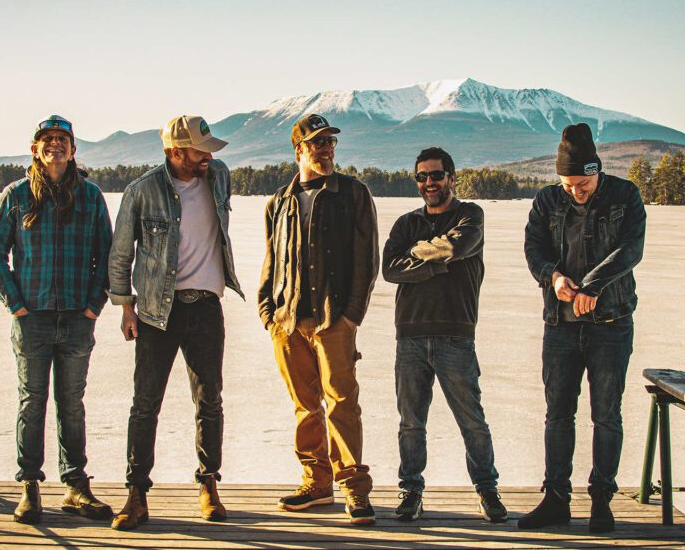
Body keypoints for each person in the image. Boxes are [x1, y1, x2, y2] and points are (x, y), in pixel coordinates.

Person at [107, 115, 243, 530]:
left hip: (205, 308)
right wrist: (126, 307)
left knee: (209, 401)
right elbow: (120, 255)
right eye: (200, 150)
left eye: (209, 150)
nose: (208, 157)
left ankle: (208, 483)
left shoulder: (218, 176)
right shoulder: (142, 190)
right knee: (145, 404)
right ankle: (136, 492)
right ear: (174, 151)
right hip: (156, 312)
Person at [0, 114, 114, 524]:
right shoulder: (17, 195)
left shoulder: (91, 196)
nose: (55, 144)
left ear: (73, 149)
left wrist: (94, 305)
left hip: (77, 318)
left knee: (72, 404)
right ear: (35, 148)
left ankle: (75, 486)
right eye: (47, 139)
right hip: (33, 319)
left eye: (63, 139)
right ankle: (29, 486)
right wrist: (15, 304)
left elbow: (106, 256)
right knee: (32, 402)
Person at [519, 123, 646, 533]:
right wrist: (553, 278)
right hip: (560, 326)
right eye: (569, 184)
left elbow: (631, 249)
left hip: (610, 324)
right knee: (558, 414)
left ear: (598, 170)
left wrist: (592, 286)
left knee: (606, 414)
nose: (576, 191)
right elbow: (533, 248)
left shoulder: (625, 197)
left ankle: (601, 502)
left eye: (583, 182)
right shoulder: (545, 201)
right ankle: (556, 499)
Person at [257, 113, 379, 525]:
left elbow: (366, 260)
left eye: (330, 143)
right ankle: (316, 483)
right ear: (299, 151)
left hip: (333, 321)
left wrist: (351, 317)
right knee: (305, 408)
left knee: (343, 405)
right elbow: (271, 261)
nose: (326, 150)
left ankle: (354, 490)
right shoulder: (280, 201)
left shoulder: (353, 193)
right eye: (317, 143)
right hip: (288, 322)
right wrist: (268, 313)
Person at [382, 147, 507, 523]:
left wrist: (419, 258)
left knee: (472, 421)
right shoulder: (406, 223)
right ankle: (411, 490)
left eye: (436, 175)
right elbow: (389, 268)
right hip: (410, 338)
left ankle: (487, 489)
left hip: (456, 335)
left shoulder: (471, 215)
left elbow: (457, 245)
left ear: (452, 177)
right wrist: (437, 266)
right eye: (421, 177)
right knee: (410, 422)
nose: (429, 183)